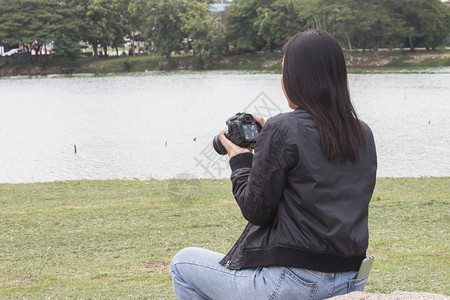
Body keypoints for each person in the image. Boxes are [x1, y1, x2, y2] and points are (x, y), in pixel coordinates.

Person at [170, 29, 377, 300]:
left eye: (284, 71)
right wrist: (271, 138)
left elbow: (255, 210)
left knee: (183, 264)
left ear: (296, 79)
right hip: (351, 278)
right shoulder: (362, 132)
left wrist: (241, 160)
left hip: (295, 283)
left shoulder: (284, 128)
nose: (282, 80)